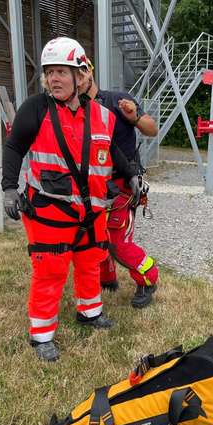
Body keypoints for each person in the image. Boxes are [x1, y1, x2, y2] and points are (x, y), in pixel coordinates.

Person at [1, 37, 116, 362]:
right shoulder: (36, 109)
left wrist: (132, 172)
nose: (54, 79)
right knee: (50, 271)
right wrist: (10, 187)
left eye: (61, 72)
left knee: (90, 263)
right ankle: (41, 335)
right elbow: (14, 147)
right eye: (49, 72)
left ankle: (90, 312)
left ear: (81, 76)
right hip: (50, 211)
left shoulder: (102, 116)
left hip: (91, 212)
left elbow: (112, 152)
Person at [78, 59, 159, 308]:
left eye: (79, 75)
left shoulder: (118, 101)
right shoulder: (73, 110)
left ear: (90, 72)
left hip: (124, 184)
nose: (76, 81)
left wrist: (134, 118)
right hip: (92, 184)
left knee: (117, 242)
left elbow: (152, 129)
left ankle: (148, 278)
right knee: (93, 235)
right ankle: (107, 279)